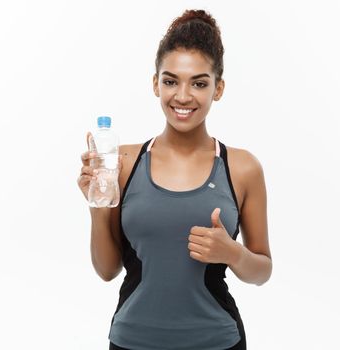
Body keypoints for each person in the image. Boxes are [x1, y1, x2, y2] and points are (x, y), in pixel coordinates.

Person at [78, 9, 272, 350]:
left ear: (219, 88)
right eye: (171, 81)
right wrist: (97, 202)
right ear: (156, 84)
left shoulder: (241, 168)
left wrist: (232, 253)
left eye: (199, 83)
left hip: (218, 341)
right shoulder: (122, 162)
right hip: (132, 341)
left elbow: (262, 270)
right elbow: (107, 270)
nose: (182, 96)